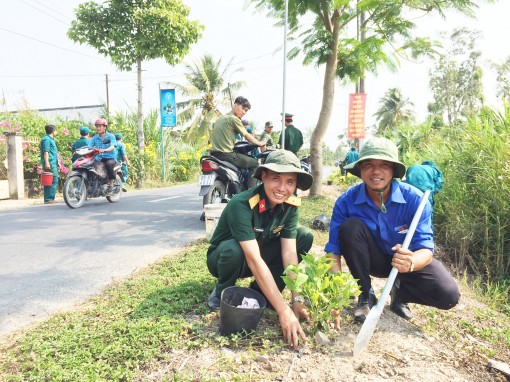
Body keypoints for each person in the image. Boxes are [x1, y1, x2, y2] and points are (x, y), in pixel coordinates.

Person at [324, 137, 459, 323]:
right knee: (350, 227)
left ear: (394, 170)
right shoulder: (346, 201)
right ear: (360, 169)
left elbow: (426, 250)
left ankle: (400, 294)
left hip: (405, 261)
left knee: (448, 295)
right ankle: (366, 293)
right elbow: (333, 252)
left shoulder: (416, 201)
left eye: (384, 165)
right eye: (369, 164)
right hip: (373, 259)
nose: (376, 171)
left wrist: (411, 261)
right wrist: (335, 296)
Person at [206, 149, 314, 348]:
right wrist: (283, 311)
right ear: (263, 176)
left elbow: (289, 254)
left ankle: (260, 291)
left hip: (258, 251)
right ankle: (221, 291)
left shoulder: (290, 205)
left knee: (304, 236)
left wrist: (295, 297)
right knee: (234, 249)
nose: (282, 188)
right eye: (276, 178)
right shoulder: (242, 204)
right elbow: (253, 258)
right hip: (226, 258)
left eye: (290, 182)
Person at [210, 96, 266, 188]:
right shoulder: (234, 119)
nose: (243, 112)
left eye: (246, 110)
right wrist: (259, 143)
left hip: (214, 154)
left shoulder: (221, 118)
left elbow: (226, 135)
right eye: (242, 108)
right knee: (255, 164)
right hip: (226, 155)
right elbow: (247, 136)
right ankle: (250, 194)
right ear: (234, 105)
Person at [88, 118, 117, 194]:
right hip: (99, 158)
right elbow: (89, 147)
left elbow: (112, 146)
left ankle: (111, 183)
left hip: (110, 157)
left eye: (100, 126)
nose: (98, 128)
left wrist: (105, 150)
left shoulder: (111, 136)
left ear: (105, 127)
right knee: (89, 165)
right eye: (97, 126)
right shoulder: (95, 137)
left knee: (109, 164)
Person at [39, 124, 59, 204]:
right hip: (50, 163)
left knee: (49, 180)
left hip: (53, 163)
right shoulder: (46, 139)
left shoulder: (50, 139)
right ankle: (49, 199)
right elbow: (46, 152)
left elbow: (52, 153)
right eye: (55, 130)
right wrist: (47, 163)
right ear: (53, 131)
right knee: (54, 180)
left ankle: (48, 199)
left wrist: (58, 163)